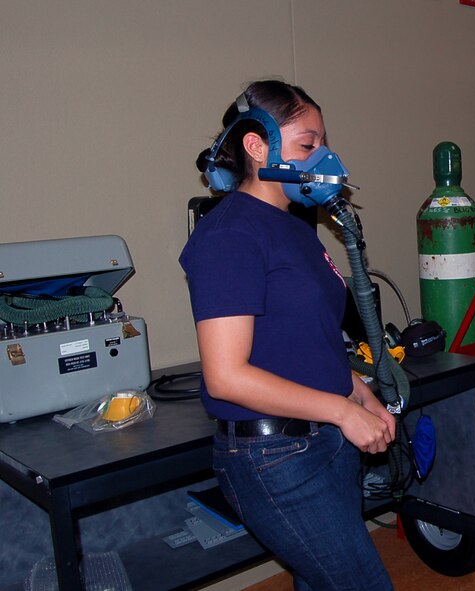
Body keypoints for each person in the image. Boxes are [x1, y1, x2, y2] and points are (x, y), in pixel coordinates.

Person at [179, 80, 395, 591]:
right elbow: (227, 377)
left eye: (323, 142)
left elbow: (305, 339)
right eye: (307, 143)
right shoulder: (230, 234)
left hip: (324, 440)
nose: (323, 156)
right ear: (258, 147)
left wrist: (357, 393)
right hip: (274, 458)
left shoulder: (298, 227)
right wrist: (342, 411)